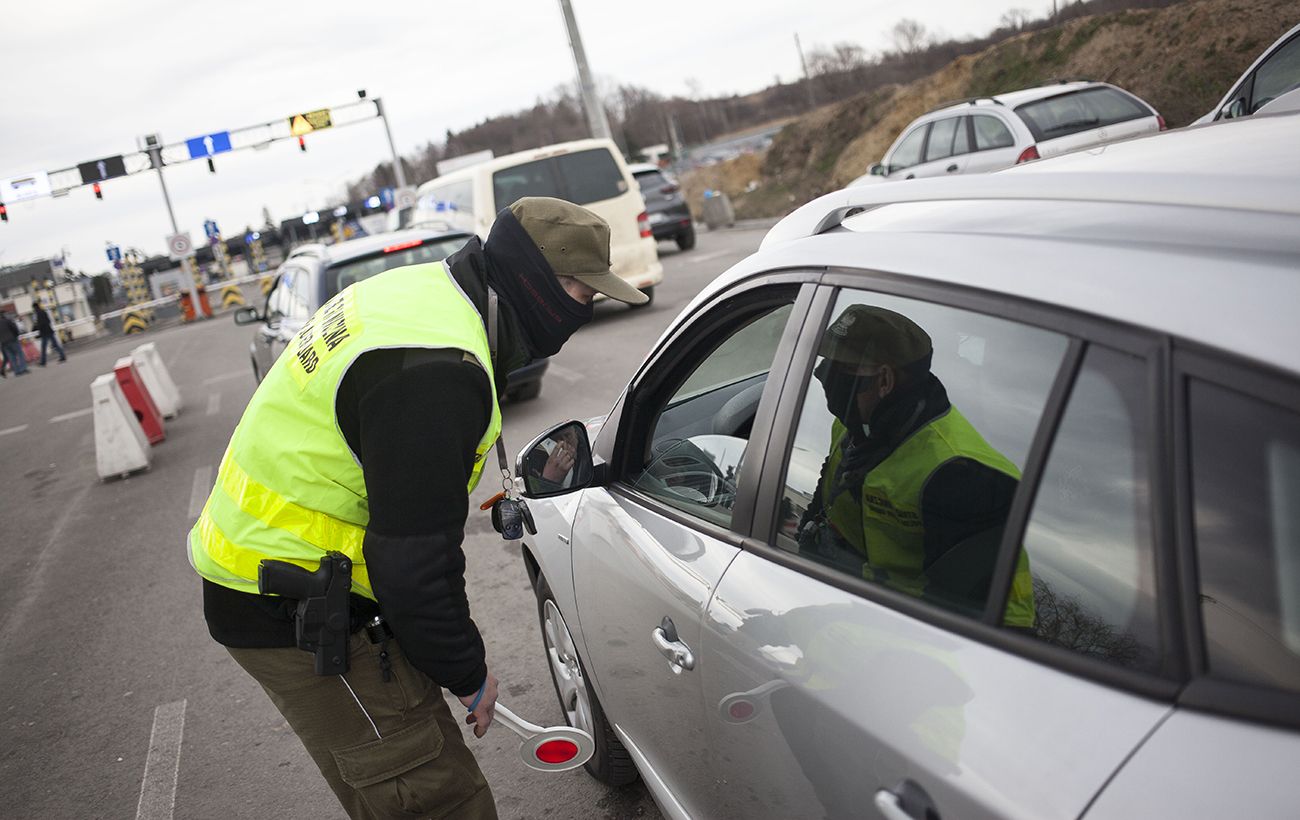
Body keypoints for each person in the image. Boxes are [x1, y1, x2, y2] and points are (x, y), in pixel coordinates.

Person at [187, 197, 647, 820]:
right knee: (428, 791)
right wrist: (468, 672)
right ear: (530, 279)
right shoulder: (434, 372)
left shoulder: (428, 295)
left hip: (289, 575)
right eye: (578, 290)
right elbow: (413, 562)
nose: (584, 309)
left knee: (405, 771)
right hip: (296, 607)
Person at [796, 305, 1034, 627]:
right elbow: (830, 490)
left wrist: (824, 622)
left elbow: (958, 621)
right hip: (867, 599)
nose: (824, 375)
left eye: (840, 369)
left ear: (884, 379)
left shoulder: (960, 474)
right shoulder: (855, 425)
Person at [0, 312, 31, 377]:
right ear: (3, 315)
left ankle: (17, 372)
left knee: (11, 357)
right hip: (12, 340)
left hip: (4, 343)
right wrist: (16, 335)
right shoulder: (7, 321)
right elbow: (15, 328)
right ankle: (23, 369)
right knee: (20, 354)